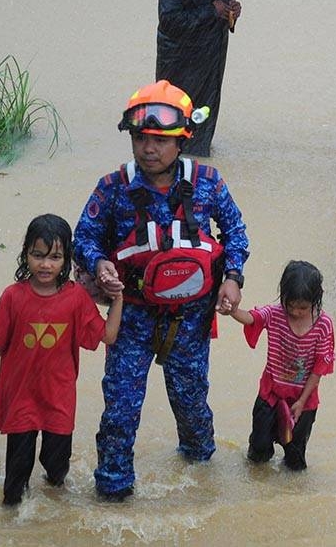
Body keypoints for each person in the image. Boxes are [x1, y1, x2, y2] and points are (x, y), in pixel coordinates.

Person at [74, 80, 249, 501]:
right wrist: (99, 264)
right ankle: (113, 495)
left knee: (192, 412)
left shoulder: (208, 182)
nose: (148, 148)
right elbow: (84, 237)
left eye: (159, 140)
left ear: (182, 140)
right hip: (130, 317)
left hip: (190, 320)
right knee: (119, 412)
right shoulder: (112, 187)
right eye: (140, 138)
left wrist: (232, 278)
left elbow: (237, 232)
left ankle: (202, 488)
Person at [0, 214, 124, 506]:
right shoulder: (12, 297)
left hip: (59, 401)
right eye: (38, 255)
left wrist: (119, 298)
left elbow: (108, 336)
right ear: (26, 254)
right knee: (13, 489)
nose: (45, 264)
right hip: (22, 399)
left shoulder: (76, 299)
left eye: (55, 257)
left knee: (56, 474)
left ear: (66, 260)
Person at [225, 260, 335, 471]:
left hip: (304, 399)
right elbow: (251, 318)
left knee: (295, 457)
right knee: (258, 450)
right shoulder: (275, 314)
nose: (295, 311)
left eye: (302, 307)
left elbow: (319, 369)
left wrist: (302, 402)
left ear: (316, 299)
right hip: (270, 394)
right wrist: (232, 310)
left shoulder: (323, 325)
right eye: (290, 304)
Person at [157, 0, 242, 157]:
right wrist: (209, 11)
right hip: (181, 64)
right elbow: (169, 22)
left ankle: (200, 159)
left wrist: (231, 12)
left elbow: (222, 13)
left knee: (204, 117)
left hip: (212, 61)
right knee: (176, 121)